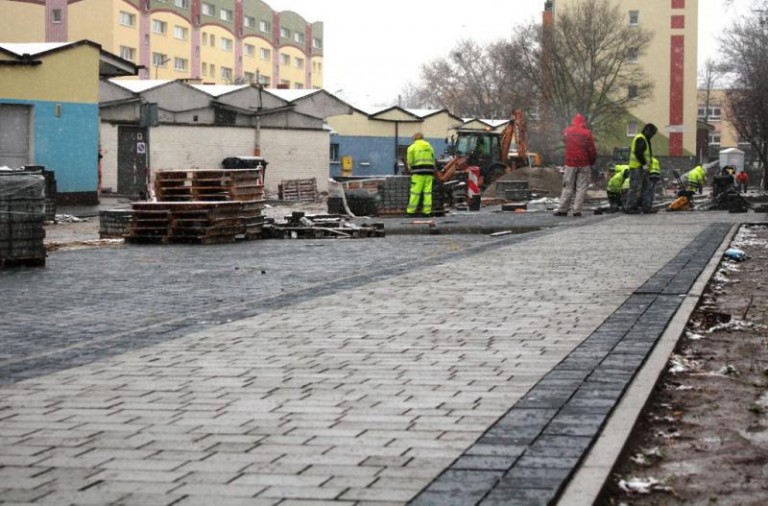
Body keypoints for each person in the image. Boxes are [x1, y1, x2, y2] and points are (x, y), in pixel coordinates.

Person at [554, 113, 597, 217]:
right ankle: (577, 210)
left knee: (567, 186)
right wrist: (591, 161)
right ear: (583, 122)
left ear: (574, 121)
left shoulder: (567, 131)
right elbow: (591, 149)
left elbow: (565, 143)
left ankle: (562, 209)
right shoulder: (587, 133)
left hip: (570, 163)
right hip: (584, 163)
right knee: (581, 187)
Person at [625, 123, 658, 213]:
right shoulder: (641, 138)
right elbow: (638, 153)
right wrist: (644, 164)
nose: (652, 135)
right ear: (647, 130)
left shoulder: (644, 139)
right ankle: (631, 207)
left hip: (642, 168)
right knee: (636, 188)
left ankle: (646, 207)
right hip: (637, 168)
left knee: (646, 188)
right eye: (652, 133)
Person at [405, 132, 437, 216]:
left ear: (414, 138)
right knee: (427, 193)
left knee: (415, 192)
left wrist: (410, 168)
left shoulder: (412, 148)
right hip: (429, 172)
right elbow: (433, 159)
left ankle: (411, 211)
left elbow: (410, 161)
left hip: (418, 173)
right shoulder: (430, 147)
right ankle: (427, 212)